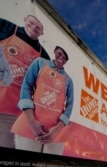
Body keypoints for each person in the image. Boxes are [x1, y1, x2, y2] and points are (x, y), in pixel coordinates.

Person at [11, 46, 74, 155]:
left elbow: (70, 105)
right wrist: (32, 121)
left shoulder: (68, 80)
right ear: (54, 52)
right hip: (31, 124)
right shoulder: (40, 63)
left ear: (66, 61)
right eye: (59, 54)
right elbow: (27, 85)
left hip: (55, 130)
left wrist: (58, 129)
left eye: (64, 58)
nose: (61, 58)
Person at [0, 15, 51, 148]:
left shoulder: (44, 56)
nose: (34, 27)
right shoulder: (7, 28)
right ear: (25, 20)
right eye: (31, 23)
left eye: (38, 27)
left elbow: (44, 87)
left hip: (14, 114)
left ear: (42, 33)